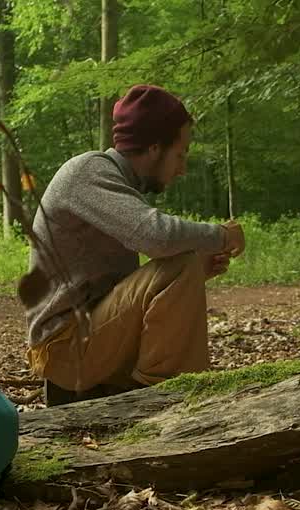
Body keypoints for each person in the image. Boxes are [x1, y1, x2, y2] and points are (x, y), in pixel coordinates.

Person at [17, 84, 245, 405]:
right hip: (65, 349)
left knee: (185, 263)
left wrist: (191, 279)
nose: (182, 169)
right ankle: (159, 404)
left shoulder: (114, 184)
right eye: (180, 155)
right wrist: (222, 235)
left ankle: (161, 398)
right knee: (180, 261)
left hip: (86, 342)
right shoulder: (88, 172)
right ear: (153, 148)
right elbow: (158, 237)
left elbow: (117, 287)